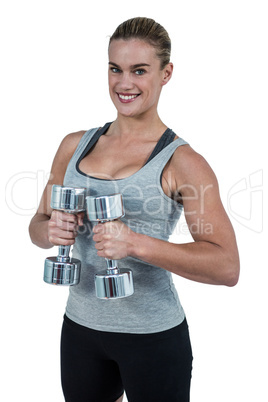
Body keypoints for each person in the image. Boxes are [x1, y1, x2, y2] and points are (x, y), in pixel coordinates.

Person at [29, 17, 240, 402]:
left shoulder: (182, 162)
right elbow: (37, 226)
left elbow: (227, 267)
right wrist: (50, 231)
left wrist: (134, 243)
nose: (124, 84)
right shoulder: (73, 145)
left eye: (139, 71)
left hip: (153, 337)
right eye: (115, 69)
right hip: (80, 330)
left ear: (166, 73)